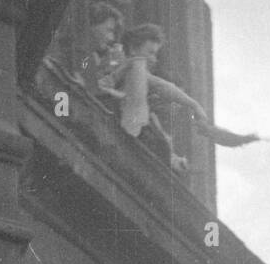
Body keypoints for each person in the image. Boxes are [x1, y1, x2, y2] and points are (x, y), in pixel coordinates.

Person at [107, 24, 261, 170]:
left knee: (157, 133)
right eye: (151, 52)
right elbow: (162, 86)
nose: (154, 59)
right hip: (124, 125)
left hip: (131, 125)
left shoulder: (136, 74)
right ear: (133, 48)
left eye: (156, 53)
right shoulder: (131, 64)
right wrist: (194, 105)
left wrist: (174, 159)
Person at [81, 2, 126, 99]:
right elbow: (88, 89)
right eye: (109, 30)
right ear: (91, 26)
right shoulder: (82, 55)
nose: (111, 38)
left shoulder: (97, 57)